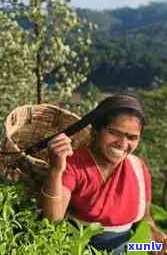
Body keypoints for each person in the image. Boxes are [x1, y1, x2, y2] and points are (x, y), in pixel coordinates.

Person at [41, 94, 167, 254]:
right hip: (79, 247)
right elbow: (52, 220)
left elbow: (145, 217)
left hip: (128, 248)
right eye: (114, 132)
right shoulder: (73, 163)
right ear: (96, 130)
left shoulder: (138, 168)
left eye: (132, 137)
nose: (122, 144)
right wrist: (55, 170)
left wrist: (154, 234)